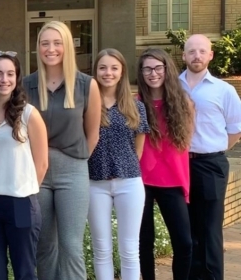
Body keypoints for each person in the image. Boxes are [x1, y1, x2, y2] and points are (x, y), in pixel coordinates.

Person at [22, 20, 102, 280]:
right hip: (38, 174)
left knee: (71, 245)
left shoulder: (86, 85)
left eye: (57, 43)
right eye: (45, 43)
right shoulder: (26, 86)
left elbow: (92, 134)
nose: (51, 49)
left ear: (67, 46)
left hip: (73, 171)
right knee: (44, 245)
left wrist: (75, 162)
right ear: (38, 48)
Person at [0, 51, 47, 280]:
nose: (4, 80)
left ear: (17, 78)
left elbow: (41, 163)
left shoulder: (28, 115)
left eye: (10, 74)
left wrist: (23, 191)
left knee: (24, 271)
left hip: (20, 203)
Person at [180, 34, 241, 280]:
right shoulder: (172, 85)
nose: (196, 56)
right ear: (183, 55)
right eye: (192, 51)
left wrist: (215, 150)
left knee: (210, 230)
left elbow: (236, 128)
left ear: (210, 55)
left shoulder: (224, 90)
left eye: (202, 51)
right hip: (180, 165)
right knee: (187, 229)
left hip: (210, 164)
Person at [86, 48, 150, 280]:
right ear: (95, 72)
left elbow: (139, 150)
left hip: (129, 183)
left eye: (114, 68)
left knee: (130, 249)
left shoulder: (136, 107)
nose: (108, 73)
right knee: (101, 248)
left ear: (122, 72)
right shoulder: (88, 105)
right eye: (102, 67)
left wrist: (123, 168)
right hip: (95, 183)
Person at [137, 47, 195, 280]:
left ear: (167, 69)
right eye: (147, 69)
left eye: (158, 67)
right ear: (141, 73)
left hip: (172, 180)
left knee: (184, 242)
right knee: (144, 243)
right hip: (141, 180)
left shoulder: (184, 104)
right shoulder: (136, 104)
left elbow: (185, 142)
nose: (153, 73)